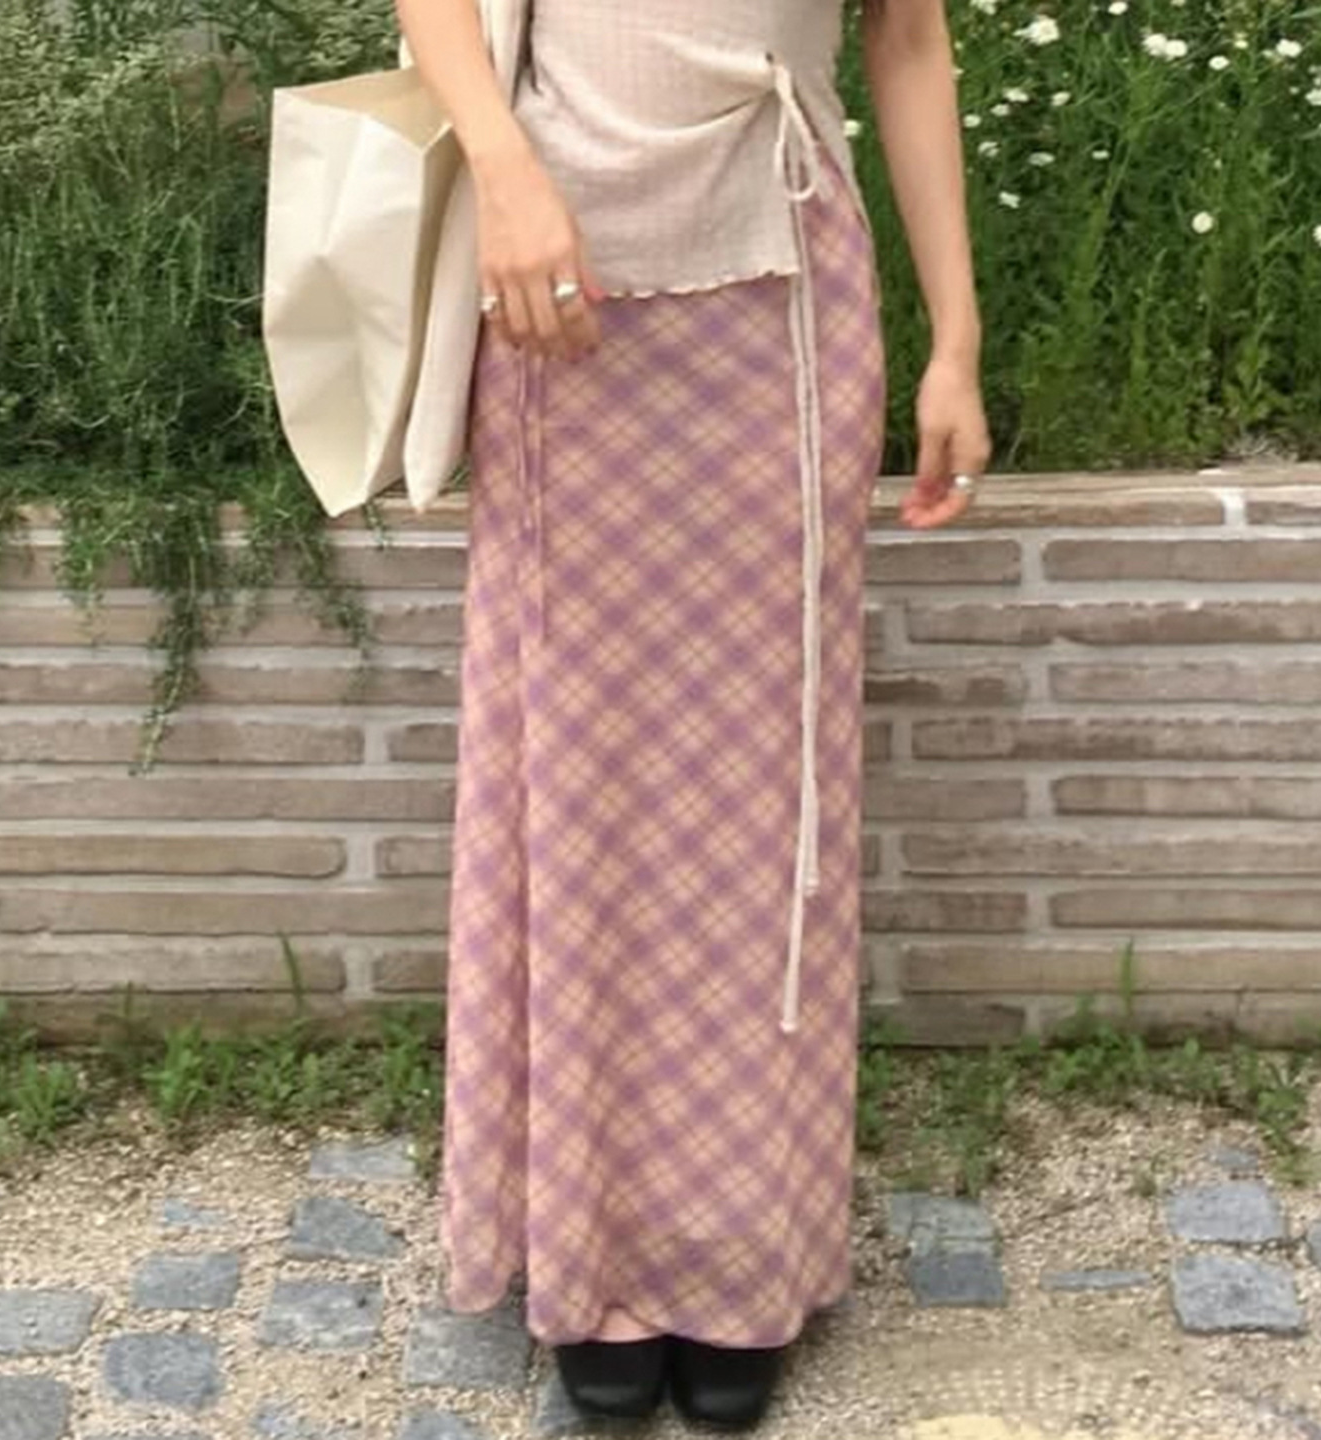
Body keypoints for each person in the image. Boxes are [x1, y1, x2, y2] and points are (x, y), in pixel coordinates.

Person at [397, 0, 992, 1429]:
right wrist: (505, 170)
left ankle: (735, 1251)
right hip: (556, 301)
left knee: (762, 798)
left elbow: (910, 39)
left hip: (785, 314)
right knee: (576, 777)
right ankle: (587, 1245)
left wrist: (957, 345)